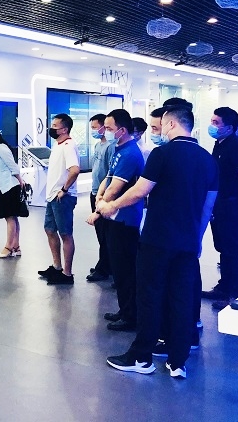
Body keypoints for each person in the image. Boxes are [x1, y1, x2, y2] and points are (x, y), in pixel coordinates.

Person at [99, 106, 218, 379]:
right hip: (187, 243)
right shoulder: (208, 160)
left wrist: (110, 206)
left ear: (172, 124)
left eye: (162, 125)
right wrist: (197, 239)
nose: (160, 130)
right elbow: (207, 207)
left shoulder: (162, 154)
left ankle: (141, 357)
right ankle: (178, 361)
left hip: (157, 240)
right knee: (181, 298)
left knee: (150, 296)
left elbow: (140, 191)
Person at [88, 109, 145, 332]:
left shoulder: (130, 153)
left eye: (110, 128)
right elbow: (108, 178)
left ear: (122, 130)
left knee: (125, 269)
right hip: (113, 217)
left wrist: (99, 209)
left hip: (125, 220)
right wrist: (99, 198)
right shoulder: (118, 149)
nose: (106, 131)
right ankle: (124, 309)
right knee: (119, 268)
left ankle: (131, 316)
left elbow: (116, 188)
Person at [201, 106, 238, 310]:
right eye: (212, 121)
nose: (212, 126)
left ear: (229, 127)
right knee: (224, 248)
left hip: (233, 205)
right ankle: (224, 287)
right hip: (220, 205)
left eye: (216, 123)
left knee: (236, 249)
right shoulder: (220, 144)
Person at [38, 113, 80, 286]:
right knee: (49, 230)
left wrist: (64, 190)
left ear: (64, 129)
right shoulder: (57, 144)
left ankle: (67, 273)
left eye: (55, 126)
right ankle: (57, 267)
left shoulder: (69, 146)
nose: (51, 128)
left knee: (65, 233)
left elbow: (74, 170)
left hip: (62, 198)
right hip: (52, 197)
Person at [0, 127, 26, 258]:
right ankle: (16, 246)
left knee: (10, 217)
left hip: (10, 186)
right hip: (5, 186)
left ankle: (8, 247)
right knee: (12, 217)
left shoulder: (1, 148)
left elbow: (13, 166)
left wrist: (20, 181)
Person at [87, 114, 114, 282]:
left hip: (104, 196)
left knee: (105, 234)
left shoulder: (110, 147)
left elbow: (110, 174)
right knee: (100, 233)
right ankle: (105, 263)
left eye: (95, 127)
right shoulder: (98, 145)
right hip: (95, 193)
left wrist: (103, 196)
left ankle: (104, 268)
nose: (93, 131)